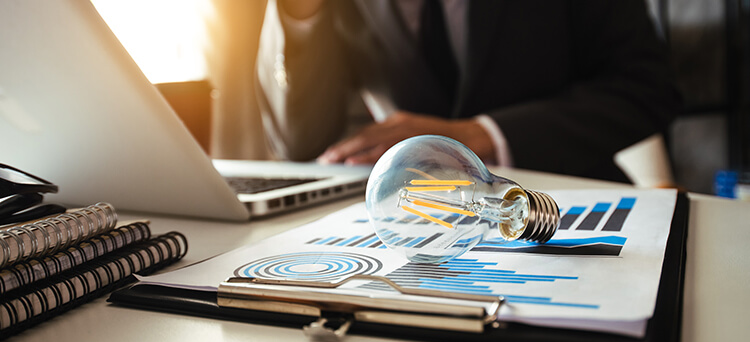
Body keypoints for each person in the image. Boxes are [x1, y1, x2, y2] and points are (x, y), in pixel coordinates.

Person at [255, 0, 682, 182]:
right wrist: (300, 12)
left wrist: (479, 135)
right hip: (409, 225)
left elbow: (648, 87)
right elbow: (298, 142)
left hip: (560, 210)